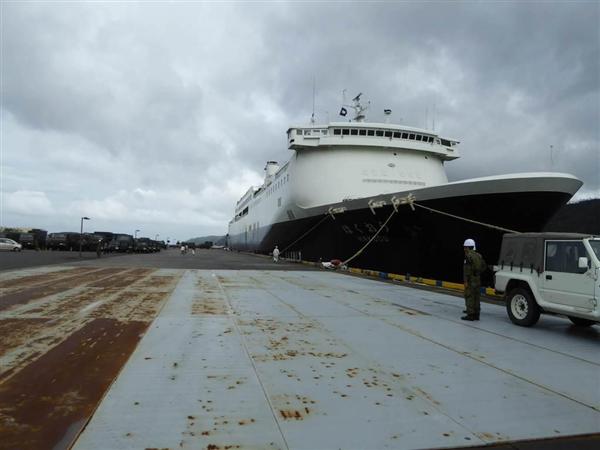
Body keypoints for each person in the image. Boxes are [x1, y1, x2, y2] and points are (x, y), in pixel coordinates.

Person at [462, 238, 486, 321]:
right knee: (477, 297)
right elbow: (484, 266)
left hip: (470, 279)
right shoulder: (479, 255)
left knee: (469, 296)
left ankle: (470, 315)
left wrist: (465, 281)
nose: (464, 249)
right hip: (477, 279)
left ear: (468, 247)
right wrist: (477, 273)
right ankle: (477, 314)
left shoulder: (468, 256)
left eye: (465, 247)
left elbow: (466, 270)